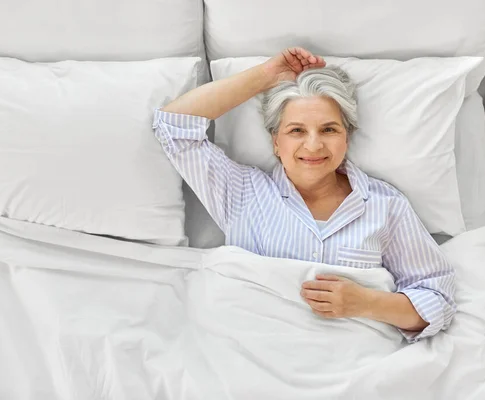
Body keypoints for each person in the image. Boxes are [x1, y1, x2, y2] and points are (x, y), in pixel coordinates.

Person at [152, 47, 455, 343]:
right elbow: (173, 125)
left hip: (351, 365)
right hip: (251, 352)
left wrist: (366, 303)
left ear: (346, 138)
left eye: (329, 130)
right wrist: (266, 75)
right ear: (275, 141)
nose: (313, 146)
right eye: (297, 130)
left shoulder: (385, 206)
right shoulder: (241, 190)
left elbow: (437, 298)